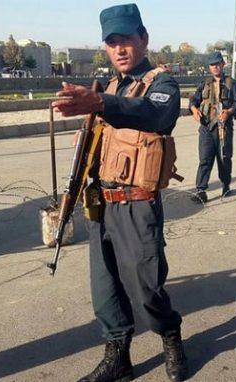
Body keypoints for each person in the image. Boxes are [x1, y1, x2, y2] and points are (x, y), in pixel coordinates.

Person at [51, 4, 188, 382]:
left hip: (138, 204)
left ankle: (170, 334)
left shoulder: (162, 84)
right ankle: (118, 355)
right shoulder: (109, 85)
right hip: (101, 203)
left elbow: (155, 114)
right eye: (112, 43)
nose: (120, 49)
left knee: (146, 287)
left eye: (126, 40)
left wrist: (100, 103)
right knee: (105, 288)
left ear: (143, 39)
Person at [189, 51, 236, 203]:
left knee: (224, 158)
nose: (215, 68)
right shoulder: (204, 83)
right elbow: (193, 100)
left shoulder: (232, 83)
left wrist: (229, 112)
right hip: (206, 127)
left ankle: (226, 186)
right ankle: (201, 190)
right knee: (205, 159)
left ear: (223, 65)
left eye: (217, 64)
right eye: (212, 65)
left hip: (223, 128)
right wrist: (194, 110)